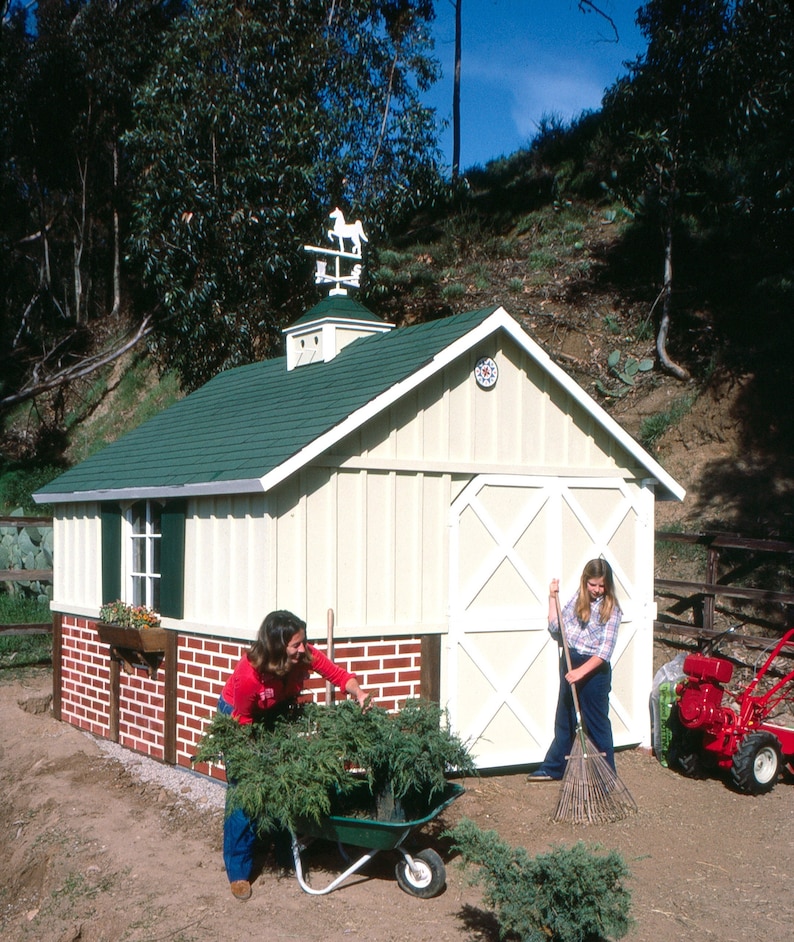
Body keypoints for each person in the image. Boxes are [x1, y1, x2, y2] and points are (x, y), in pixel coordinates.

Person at [217, 609, 369, 900]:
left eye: (303, 641)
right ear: (277, 647)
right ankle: (238, 870)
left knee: (287, 780)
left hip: (272, 713)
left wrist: (358, 692)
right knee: (245, 791)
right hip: (238, 717)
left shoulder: (305, 655)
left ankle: (287, 850)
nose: (304, 649)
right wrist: (255, 756)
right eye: (296, 645)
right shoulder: (249, 675)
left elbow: (338, 675)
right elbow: (244, 720)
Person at [528, 559, 622, 782]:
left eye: (601, 586)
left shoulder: (613, 610)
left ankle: (606, 777)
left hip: (594, 671)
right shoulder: (577, 600)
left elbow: (604, 651)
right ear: (585, 581)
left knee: (597, 723)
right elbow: (555, 627)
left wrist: (581, 673)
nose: (597, 590)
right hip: (571, 661)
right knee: (565, 719)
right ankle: (555, 767)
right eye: (593, 585)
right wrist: (552, 597)